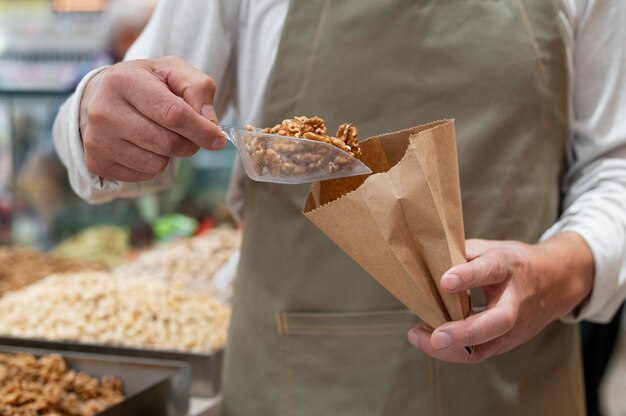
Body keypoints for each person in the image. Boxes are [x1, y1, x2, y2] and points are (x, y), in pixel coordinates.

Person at [53, 1, 626, 415]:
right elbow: (117, 113)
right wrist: (96, 115)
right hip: (295, 382)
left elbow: (615, 165)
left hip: (515, 378)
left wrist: (559, 271)